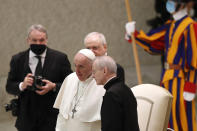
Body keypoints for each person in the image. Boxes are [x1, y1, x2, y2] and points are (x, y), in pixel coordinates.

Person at [125, 0, 197, 130]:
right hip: (167, 77)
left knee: (181, 117)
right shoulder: (171, 25)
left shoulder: (190, 25)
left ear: (182, 4)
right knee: (166, 115)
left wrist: (191, 85)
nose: (169, 4)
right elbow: (154, 43)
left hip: (181, 79)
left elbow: (193, 59)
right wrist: (134, 34)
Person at [6, 24, 72, 131]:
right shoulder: (17, 59)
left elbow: (71, 84)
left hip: (52, 118)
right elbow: (9, 86)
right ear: (28, 40)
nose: (38, 43)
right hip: (26, 118)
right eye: (34, 40)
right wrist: (23, 85)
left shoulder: (60, 58)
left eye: (41, 40)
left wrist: (54, 86)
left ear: (46, 40)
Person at [53, 49, 105, 131]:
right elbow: (62, 114)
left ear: (92, 66)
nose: (77, 71)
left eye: (81, 66)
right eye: (75, 65)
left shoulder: (101, 83)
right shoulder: (70, 78)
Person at [92, 56, 139, 131]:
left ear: (104, 70)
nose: (92, 76)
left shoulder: (111, 94)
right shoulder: (124, 88)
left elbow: (111, 127)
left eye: (94, 72)